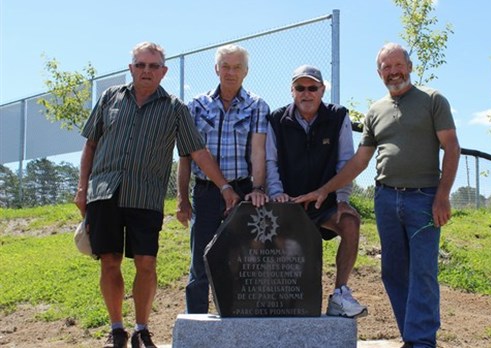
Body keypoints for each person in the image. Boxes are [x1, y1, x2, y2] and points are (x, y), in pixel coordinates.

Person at [294, 43, 460, 347]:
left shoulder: (432, 100)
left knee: (422, 272)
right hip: (385, 200)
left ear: (409, 66)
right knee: (393, 272)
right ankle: (411, 337)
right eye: (387, 67)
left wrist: (442, 195)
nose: (393, 71)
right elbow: (360, 161)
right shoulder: (376, 110)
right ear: (379, 72)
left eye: (398, 65)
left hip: (424, 199)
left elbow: (451, 146)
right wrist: (325, 189)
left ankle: (421, 341)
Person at [75, 42, 240, 348]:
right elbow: (91, 144)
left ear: (163, 71)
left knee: (146, 264)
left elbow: (198, 151)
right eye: (140, 65)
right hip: (104, 193)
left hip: (146, 197)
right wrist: (82, 187)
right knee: (109, 262)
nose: (146, 71)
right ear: (131, 69)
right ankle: (117, 330)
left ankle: (141, 329)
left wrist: (225, 186)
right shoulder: (110, 97)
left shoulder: (175, 108)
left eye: (153, 66)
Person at [266, 64, 368, 319]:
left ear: (322, 90)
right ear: (292, 91)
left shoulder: (338, 116)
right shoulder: (276, 120)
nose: (306, 93)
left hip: (326, 204)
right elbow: (270, 161)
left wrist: (342, 199)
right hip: (290, 205)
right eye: (300, 88)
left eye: (313, 88)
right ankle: (279, 298)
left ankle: (340, 295)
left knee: (351, 223)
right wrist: (278, 194)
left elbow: (346, 161)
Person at [176, 44, 270, 314]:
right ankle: (195, 324)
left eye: (237, 67)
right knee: (200, 261)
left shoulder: (257, 105)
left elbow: (258, 150)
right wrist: (182, 199)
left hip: (241, 191)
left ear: (246, 71)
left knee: (241, 259)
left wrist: (258, 188)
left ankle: (237, 322)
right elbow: (186, 156)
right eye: (225, 66)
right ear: (216, 69)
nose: (231, 72)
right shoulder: (196, 106)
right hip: (205, 193)